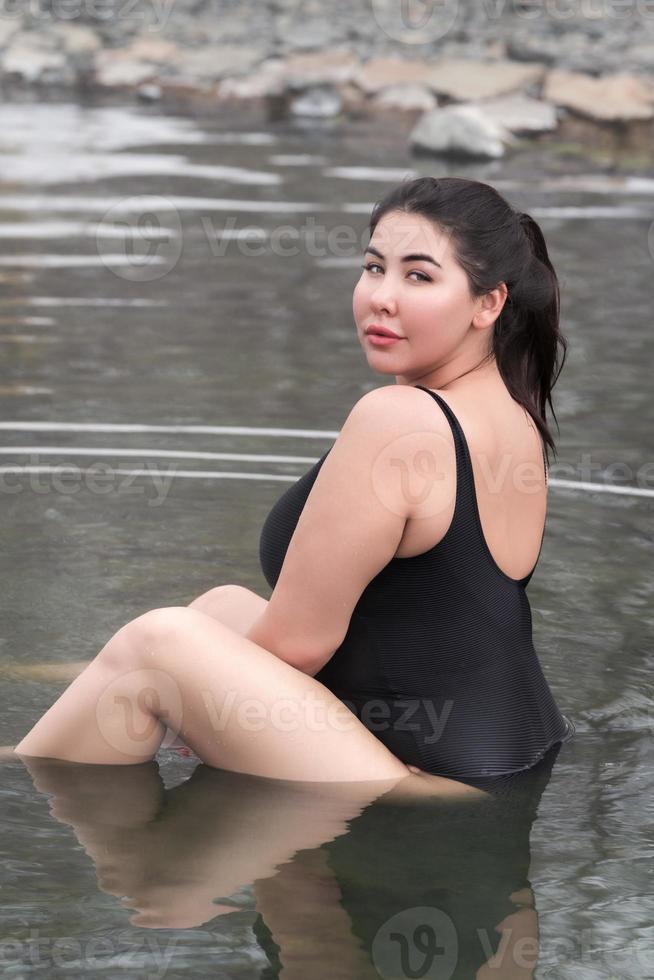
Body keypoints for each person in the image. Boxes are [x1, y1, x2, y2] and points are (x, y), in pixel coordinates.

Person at [12, 175, 573, 793]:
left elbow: (299, 647)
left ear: (488, 303)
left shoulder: (401, 420)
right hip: (513, 748)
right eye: (373, 267)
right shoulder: (509, 408)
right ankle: (56, 701)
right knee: (218, 610)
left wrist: (179, 704)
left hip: (432, 781)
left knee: (156, 647)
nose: (381, 298)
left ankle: (20, 785)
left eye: (419, 276)